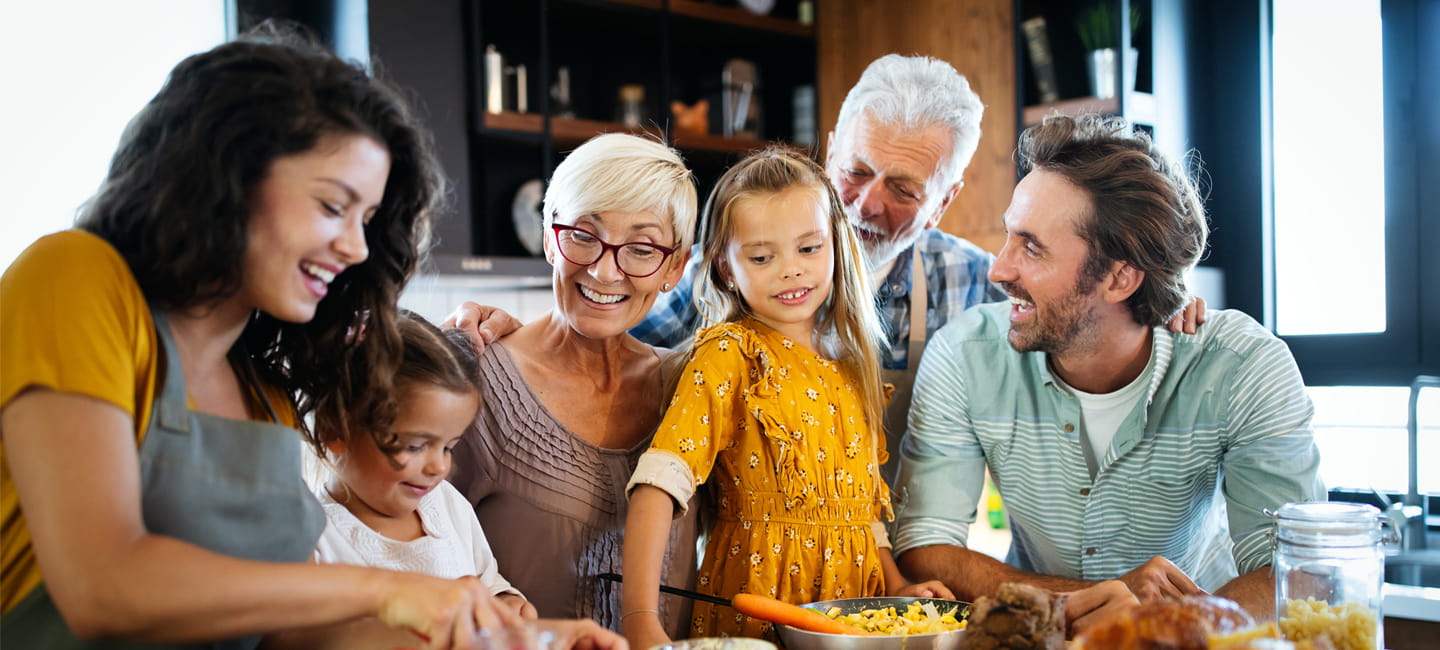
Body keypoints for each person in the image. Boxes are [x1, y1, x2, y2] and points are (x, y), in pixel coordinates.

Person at [0, 25, 544, 650]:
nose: (357, 247)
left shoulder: (265, 388)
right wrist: (383, 589)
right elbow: (104, 585)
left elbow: (291, 636)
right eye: (332, 206)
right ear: (226, 176)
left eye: (367, 219)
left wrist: (527, 641)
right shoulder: (73, 278)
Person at [448, 55, 1201, 480]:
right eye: (857, 169)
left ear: (946, 199)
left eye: (904, 189)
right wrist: (531, 335)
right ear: (831, 144)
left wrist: (1156, 306)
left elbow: (1084, 315)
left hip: (890, 586)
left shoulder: (984, 287)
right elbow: (615, 321)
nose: (865, 205)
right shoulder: (733, 264)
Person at [891, 114, 1323, 629]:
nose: (999, 270)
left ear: (1120, 277)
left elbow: (1297, 568)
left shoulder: (1242, 366)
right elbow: (925, 546)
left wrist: (1165, 623)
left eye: (1031, 247)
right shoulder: (965, 353)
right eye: (1010, 237)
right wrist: (1093, 601)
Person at [619, 148, 951, 650]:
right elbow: (657, 487)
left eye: (808, 248)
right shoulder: (731, 354)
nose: (791, 271)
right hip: (758, 619)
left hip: (854, 624)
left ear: (836, 246)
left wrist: (899, 586)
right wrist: (642, 621)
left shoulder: (851, 365)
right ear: (726, 269)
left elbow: (860, 514)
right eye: (761, 257)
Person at [447, 134, 701, 637]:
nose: (605, 270)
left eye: (641, 248)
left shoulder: (690, 387)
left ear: (674, 266)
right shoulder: (476, 379)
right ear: (548, 237)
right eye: (583, 235)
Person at [311, 312, 535, 618]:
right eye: (415, 446)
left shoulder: (446, 504)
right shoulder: (316, 540)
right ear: (335, 430)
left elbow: (487, 580)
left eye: (448, 447)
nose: (437, 468)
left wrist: (505, 600)